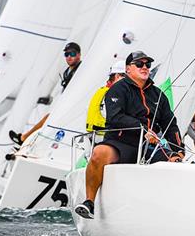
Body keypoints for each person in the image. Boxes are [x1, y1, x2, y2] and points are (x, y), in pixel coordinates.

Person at [74, 51, 182, 219]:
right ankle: (89, 202)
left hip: (148, 146)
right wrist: (142, 129)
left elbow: (170, 124)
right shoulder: (118, 89)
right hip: (120, 142)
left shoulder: (158, 94)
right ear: (128, 69)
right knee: (98, 154)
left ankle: (170, 213)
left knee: (176, 163)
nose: (144, 67)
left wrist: (178, 150)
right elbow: (115, 117)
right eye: (139, 64)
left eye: (147, 65)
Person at [9, 40, 84, 145]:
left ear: (79, 55)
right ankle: (27, 141)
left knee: (47, 120)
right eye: (66, 54)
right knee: (47, 120)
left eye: (72, 53)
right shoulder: (67, 71)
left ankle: (25, 139)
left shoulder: (82, 69)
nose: (69, 57)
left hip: (71, 107)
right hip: (62, 104)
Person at [85, 61, 126, 133]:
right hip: (105, 137)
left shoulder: (102, 90)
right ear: (117, 76)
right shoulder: (112, 93)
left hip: (94, 135)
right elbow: (114, 117)